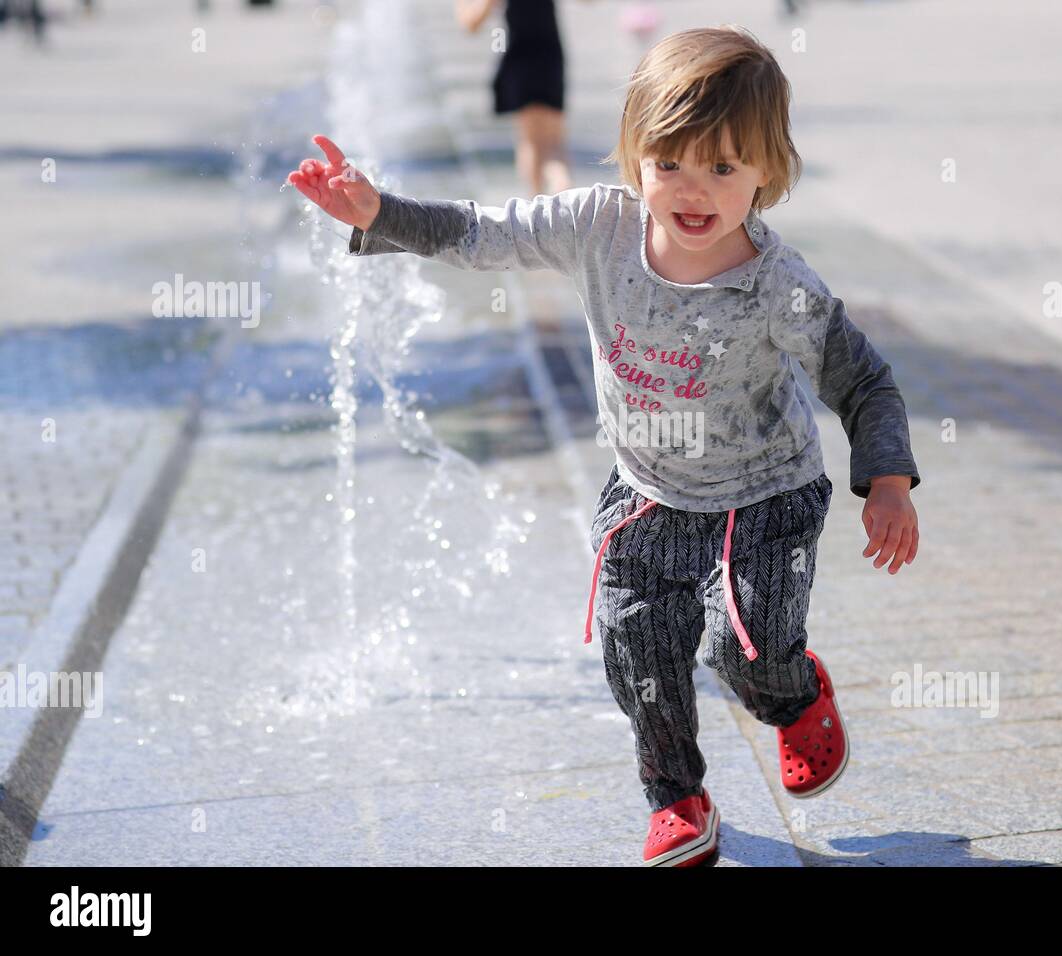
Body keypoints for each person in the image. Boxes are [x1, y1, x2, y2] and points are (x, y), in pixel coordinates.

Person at [287, 25, 922, 867]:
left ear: (768, 171)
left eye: (723, 168)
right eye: (670, 165)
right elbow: (486, 233)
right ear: (634, 158)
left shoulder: (780, 286)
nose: (693, 191)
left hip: (763, 498)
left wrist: (886, 479)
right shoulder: (599, 227)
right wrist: (381, 213)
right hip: (648, 493)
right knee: (637, 653)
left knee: (748, 648)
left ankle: (794, 695)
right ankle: (679, 799)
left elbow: (864, 380)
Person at [455, 0, 572, 196]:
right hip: (547, 53)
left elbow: (470, 22)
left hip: (524, 55)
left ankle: (546, 203)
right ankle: (561, 192)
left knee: (533, 143)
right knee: (551, 143)